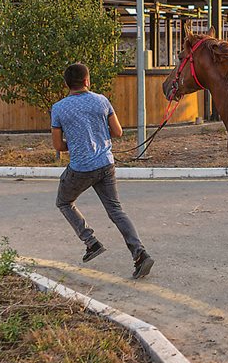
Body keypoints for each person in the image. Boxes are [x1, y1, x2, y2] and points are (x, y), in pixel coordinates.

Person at [51, 62, 154, 279]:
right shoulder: (101, 101)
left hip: (80, 168)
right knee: (116, 210)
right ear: (87, 81)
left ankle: (91, 242)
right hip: (106, 165)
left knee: (64, 202)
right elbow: (117, 132)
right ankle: (140, 254)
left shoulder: (59, 108)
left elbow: (58, 146)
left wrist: (78, 142)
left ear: (67, 84)